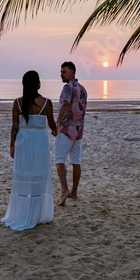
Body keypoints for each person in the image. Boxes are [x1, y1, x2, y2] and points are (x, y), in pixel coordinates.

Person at [1, 71, 57, 231]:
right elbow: (52, 124)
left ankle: (24, 211)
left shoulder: (17, 103)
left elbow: (14, 127)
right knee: (39, 174)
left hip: (23, 143)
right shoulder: (46, 103)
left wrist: (12, 145)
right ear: (38, 84)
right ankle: (37, 213)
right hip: (39, 141)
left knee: (24, 175)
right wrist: (55, 130)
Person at [54, 62, 87, 206]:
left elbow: (65, 105)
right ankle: (74, 192)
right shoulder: (83, 89)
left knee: (59, 159)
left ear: (72, 73)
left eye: (64, 72)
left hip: (66, 130)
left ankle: (64, 190)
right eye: (61, 71)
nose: (61, 74)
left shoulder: (67, 88)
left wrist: (57, 123)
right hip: (79, 130)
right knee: (75, 160)